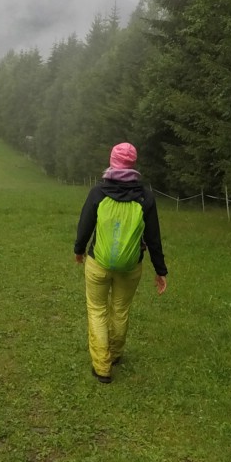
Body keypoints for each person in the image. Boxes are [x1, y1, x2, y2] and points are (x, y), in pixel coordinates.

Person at [73, 142, 167, 382]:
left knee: (97, 310)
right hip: (131, 266)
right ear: (133, 164)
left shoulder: (98, 192)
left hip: (98, 263)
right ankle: (114, 355)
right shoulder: (145, 197)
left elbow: (85, 225)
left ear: (112, 161)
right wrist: (160, 270)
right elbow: (153, 237)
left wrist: (79, 250)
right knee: (120, 310)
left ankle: (102, 366)